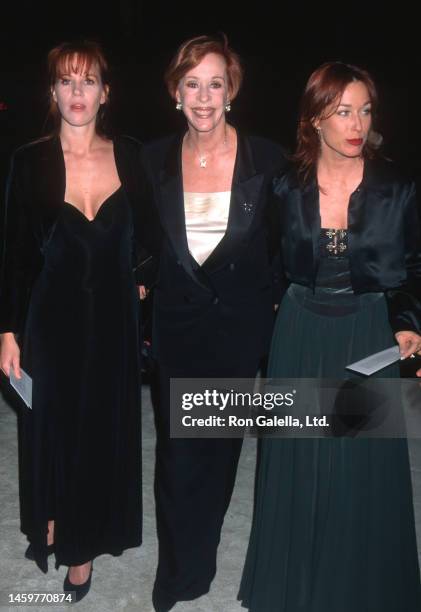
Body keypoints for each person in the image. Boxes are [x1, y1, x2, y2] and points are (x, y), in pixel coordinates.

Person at [239, 61, 421, 612]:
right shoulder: (283, 187)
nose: (356, 123)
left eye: (364, 110)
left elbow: (413, 265)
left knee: (360, 466)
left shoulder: (398, 187)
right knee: (298, 458)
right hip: (298, 327)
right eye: (343, 111)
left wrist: (409, 322)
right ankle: (294, 587)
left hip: (368, 332)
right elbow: (265, 264)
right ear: (314, 119)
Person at [0, 40, 158, 602]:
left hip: (113, 321)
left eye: (87, 81)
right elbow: (15, 254)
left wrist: (142, 277)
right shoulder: (29, 161)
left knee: (99, 431)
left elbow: (152, 237)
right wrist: (7, 331)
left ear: (105, 92)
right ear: (52, 92)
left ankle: (82, 550)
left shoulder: (131, 155)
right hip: (49, 321)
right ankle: (50, 518)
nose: (76, 93)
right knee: (48, 429)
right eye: (66, 81)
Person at [141, 34, 286, 611]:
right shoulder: (150, 158)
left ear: (232, 92)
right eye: (191, 84)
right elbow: (139, 240)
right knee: (176, 458)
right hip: (176, 329)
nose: (203, 96)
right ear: (176, 93)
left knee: (220, 456)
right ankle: (174, 574)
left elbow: (285, 243)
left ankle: (198, 566)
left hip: (237, 335)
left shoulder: (268, 159)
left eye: (215, 83)